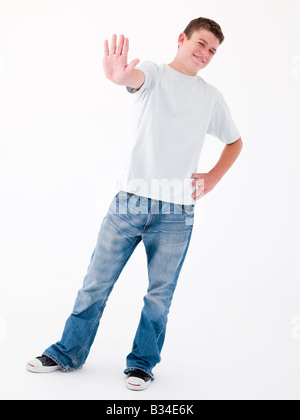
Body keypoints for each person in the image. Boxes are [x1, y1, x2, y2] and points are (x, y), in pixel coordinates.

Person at [26, 17, 243, 391]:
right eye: (201, 43)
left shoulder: (211, 97)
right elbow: (133, 78)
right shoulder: (154, 73)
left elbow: (234, 141)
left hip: (177, 213)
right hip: (129, 203)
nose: (205, 54)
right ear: (182, 39)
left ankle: (142, 364)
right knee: (95, 284)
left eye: (213, 50)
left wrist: (213, 176)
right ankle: (66, 353)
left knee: (160, 295)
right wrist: (118, 77)